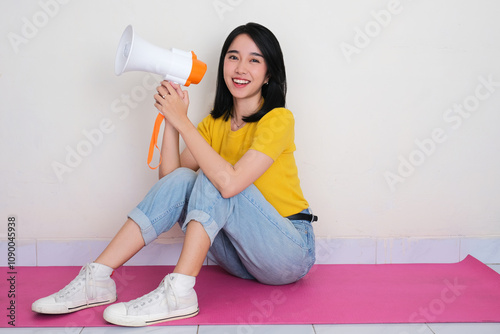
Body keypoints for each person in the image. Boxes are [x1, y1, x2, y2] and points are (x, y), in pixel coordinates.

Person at [32, 22, 317, 327]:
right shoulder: (214, 124)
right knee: (189, 178)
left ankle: (178, 292)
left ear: (269, 73)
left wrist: (184, 123)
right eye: (233, 57)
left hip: (288, 252)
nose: (241, 67)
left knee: (217, 177)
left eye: (254, 60)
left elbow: (230, 182)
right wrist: (172, 120)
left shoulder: (279, 119)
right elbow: (172, 182)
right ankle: (97, 277)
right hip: (241, 258)